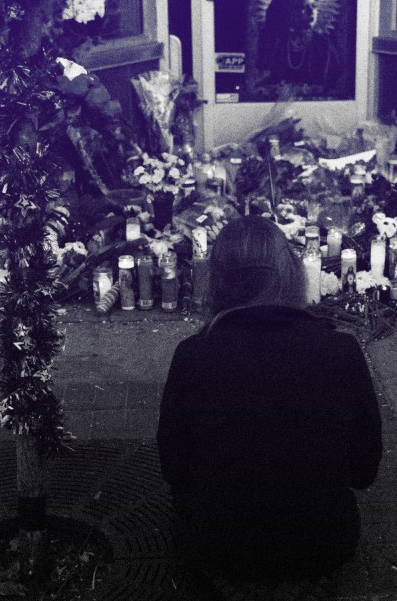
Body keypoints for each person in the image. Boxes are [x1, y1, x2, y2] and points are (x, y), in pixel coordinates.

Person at [157, 215, 382, 581]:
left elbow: (174, 469)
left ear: (218, 281)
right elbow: (363, 471)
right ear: (290, 273)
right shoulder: (340, 351)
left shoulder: (194, 355)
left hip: (215, 545)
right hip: (321, 544)